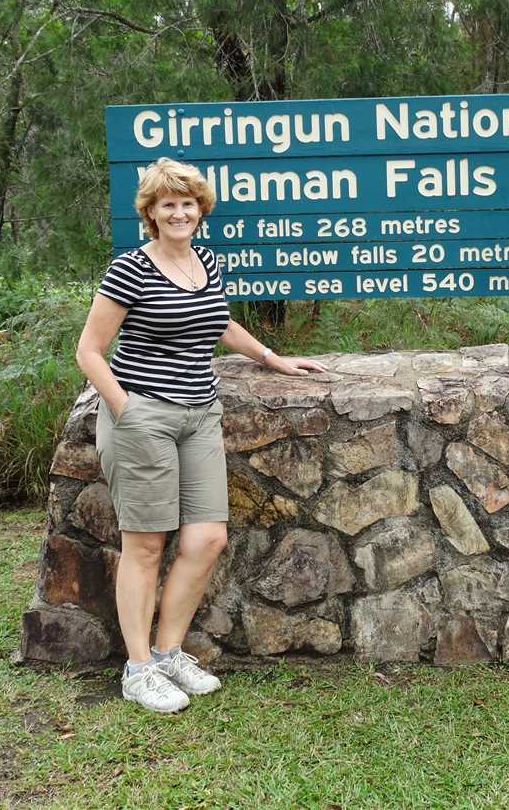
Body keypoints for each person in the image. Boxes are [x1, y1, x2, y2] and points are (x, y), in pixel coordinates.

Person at [76, 157, 327, 714]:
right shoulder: (130, 269)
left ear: (200, 210)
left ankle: (169, 654)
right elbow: (89, 351)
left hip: (200, 415)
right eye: (168, 204)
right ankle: (138, 669)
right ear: (151, 212)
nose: (179, 212)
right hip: (143, 417)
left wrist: (272, 358)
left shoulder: (205, 260)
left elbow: (219, 322)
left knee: (207, 538)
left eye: (188, 203)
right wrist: (126, 410)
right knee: (146, 545)